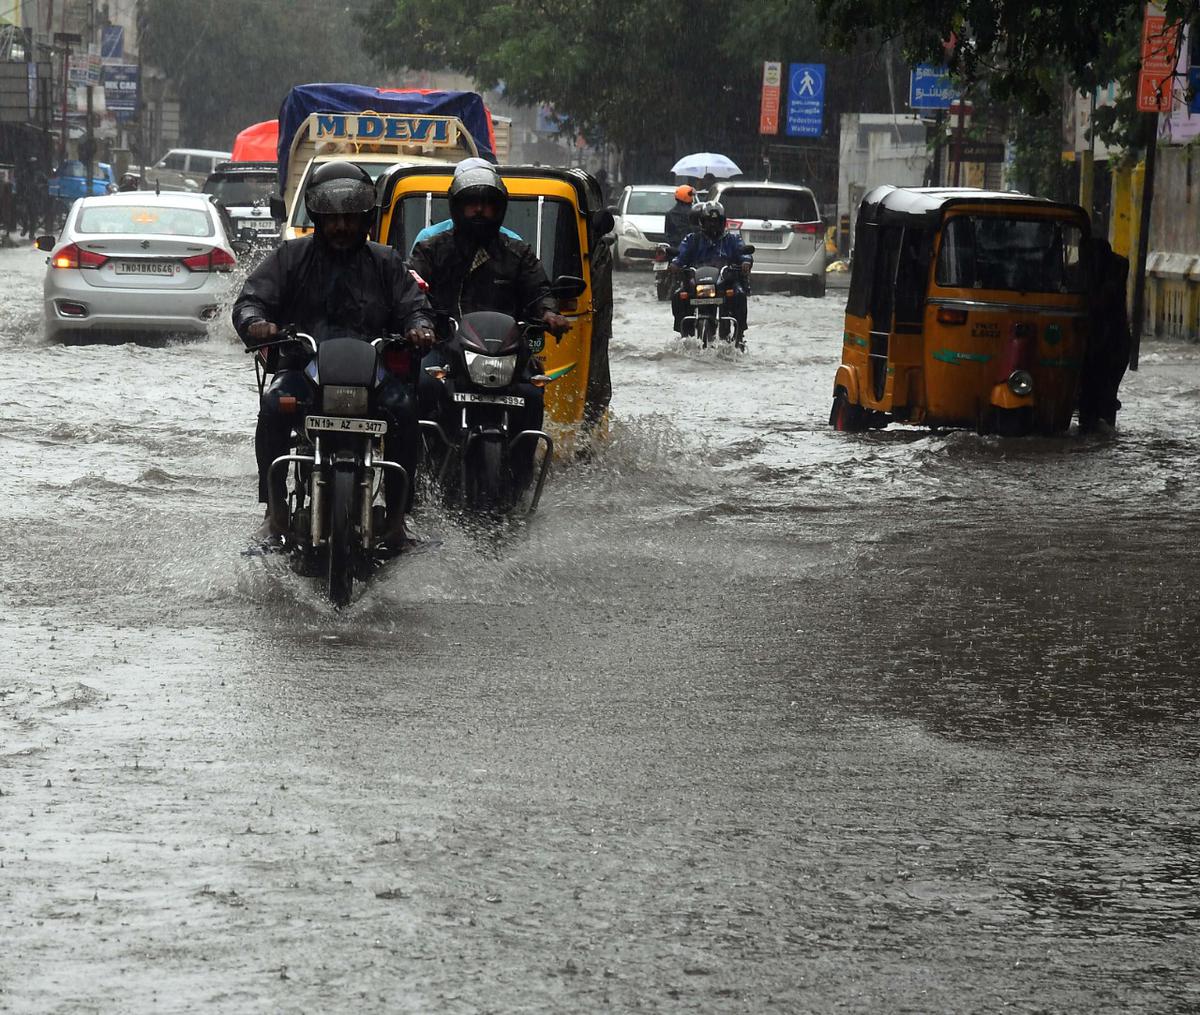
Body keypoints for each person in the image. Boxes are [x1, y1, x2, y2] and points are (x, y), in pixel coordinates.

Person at [231, 160, 434, 540]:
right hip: (304, 371)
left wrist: (419, 327)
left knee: (405, 409)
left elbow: (415, 306)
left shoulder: (386, 261)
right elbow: (251, 299)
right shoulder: (290, 257)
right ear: (318, 216)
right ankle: (273, 511)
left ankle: (396, 518)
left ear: (366, 217)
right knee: (275, 406)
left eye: (351, 217)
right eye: (333, 217)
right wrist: (256, 322)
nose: (342, 226)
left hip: (372, 374)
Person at [408, 158, 570, 488]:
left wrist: (549, 313)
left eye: (487, 204)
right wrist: (421, 324)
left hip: (504, 351)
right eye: (471, 203)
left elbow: (539, 290)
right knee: (421, 386)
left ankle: (523, 475)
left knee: (532, 394)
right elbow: (412, 290)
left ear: (500, 208)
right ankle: (421, 468)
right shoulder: (432, 247)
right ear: (457, 206)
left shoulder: (517, 251)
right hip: (445, 343)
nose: (479, 211)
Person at [670, 200, 752, 336]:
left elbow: (743, 253)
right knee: (678, 296)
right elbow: (681, 255)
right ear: (702, 222)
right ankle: (685, 333)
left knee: (739, 295)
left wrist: (746, 262)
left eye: (717, 221)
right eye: (709, 221)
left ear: (723, 222)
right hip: (697, 283)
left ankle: (739, 334)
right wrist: (675, 264)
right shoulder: (692, 239)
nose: (713, 225)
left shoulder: (732, 239)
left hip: (724, 283)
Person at [1079, 237, 1131, 432]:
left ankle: (1100, 427)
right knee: (1091, 395)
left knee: (1104, 394)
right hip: (1095, 341)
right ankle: (1096, 429)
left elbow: (1104, 298)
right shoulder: (1081, 270)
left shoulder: (1117, 268)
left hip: (1111, 342)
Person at [409, 159, 522, 250]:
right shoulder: (429, 238)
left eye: (486, 201)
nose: (479, 209)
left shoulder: (512, 243)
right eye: (471, 201)